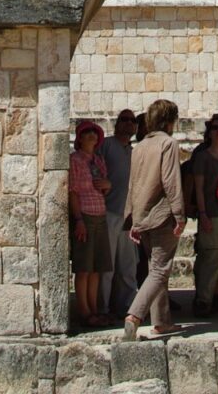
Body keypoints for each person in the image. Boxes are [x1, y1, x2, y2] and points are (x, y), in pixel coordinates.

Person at [121, 99, 187, 340]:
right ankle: (134, 316)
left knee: (154, 268)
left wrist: (132, 219)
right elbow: (171, 181)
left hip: (142, 215)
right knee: (160, 269)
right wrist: (179, 215)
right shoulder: (168, 144)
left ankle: (161, 322)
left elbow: (133, 184)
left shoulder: (139, 147)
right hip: (162, 214)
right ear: (170, 121)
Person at [69, 121, 114, 327]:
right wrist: (78, 219)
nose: (91, 135)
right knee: (84, 267)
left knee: (97, 267)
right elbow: (73, 191)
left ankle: (94, 309)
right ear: (79, 138)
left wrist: (108, 185)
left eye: (94, 132)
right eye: (86, 132)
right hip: (85, 215)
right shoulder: (75, 160)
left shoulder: (98, 160)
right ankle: (84, 311)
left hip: (100, 214)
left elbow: (104, 186)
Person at [189, 113, 218, 315]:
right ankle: (203, 300)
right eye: (214, 128)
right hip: (212, 213)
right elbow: (199, 189)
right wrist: (203, 213)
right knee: (211, 258)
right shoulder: (202, 156)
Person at [101, 109, 138, 316]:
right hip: (109, 211)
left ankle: (126, 306)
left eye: (132, 120)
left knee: (128, 265)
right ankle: (103, 308)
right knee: (107, 267)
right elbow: (94, 167)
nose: (129, 123)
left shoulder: (135, 152)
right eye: (124, 119)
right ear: (117, 123)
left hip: (129, 216)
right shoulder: (106, 145)